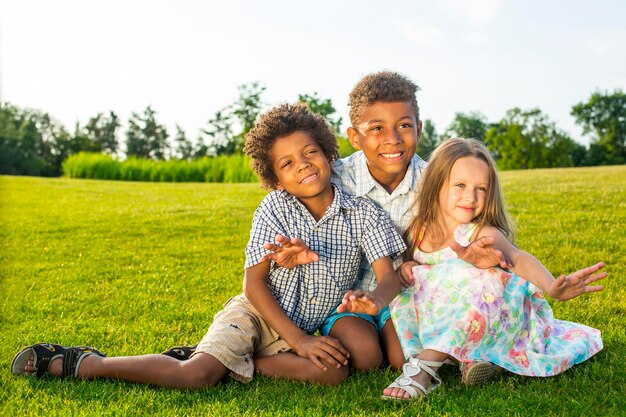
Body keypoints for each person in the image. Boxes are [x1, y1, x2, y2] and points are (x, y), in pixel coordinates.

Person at [11, 103, 406, 388]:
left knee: (334, 373)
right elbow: (253, 287)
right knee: (196, 377)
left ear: (327, 152)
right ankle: (85, 363)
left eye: (309, 153)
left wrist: (372, 298)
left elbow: (388, 277)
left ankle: (227, 361)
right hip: (259, 315)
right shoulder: (274, 209)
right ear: (274, 176)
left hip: (304, 328)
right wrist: (300, 342)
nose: (301, 165)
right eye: (286, 163)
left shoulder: (362, 212)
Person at [259, 71, 508, 384]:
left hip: (407, 294)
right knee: (364, 356)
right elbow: (288, 203)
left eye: (404, 125)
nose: (392, 138)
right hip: (346, 297)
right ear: (354, 137)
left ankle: (472, 349)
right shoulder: (331, 178)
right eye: (377, 128)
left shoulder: (435, 182)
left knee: (401, 358)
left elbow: (470, 223)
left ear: (420, 128)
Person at [338, 137, 607, 400]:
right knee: (418, 277)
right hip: (446, 320)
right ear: (436, 185)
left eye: (481, 188)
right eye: (460, 185)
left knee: (487, 278)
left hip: (497, 317)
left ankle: (425, 368)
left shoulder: (481, 232)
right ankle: (477, 356)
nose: (471, 197)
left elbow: (517, 257)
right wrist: (401, 274)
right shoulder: (419, 232)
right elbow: (407, 280)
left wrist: (552, 286)